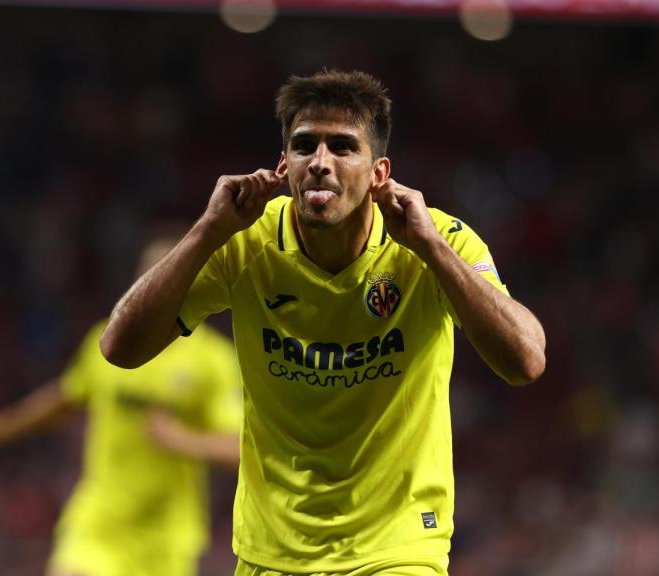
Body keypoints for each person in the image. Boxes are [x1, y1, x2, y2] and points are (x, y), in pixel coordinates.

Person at [100, 69, 546, 575]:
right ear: (283, 165)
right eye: (304, 145)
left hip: (397, 549)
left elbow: (526, 360)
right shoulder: (244, 241)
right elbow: (120, 348)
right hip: (272, 550)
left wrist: (432, 249)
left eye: (343, 147)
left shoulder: (434, 238)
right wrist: (208, 229)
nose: (319, 162)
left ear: (379, 172)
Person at [0, 234, 243, 576]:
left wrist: (182, 439)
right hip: (99, 523)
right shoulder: (111, 341)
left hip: (165, 541)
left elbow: (240, 448)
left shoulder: (213, 361)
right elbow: (66, 398)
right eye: (153, 274)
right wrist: (1, 429)